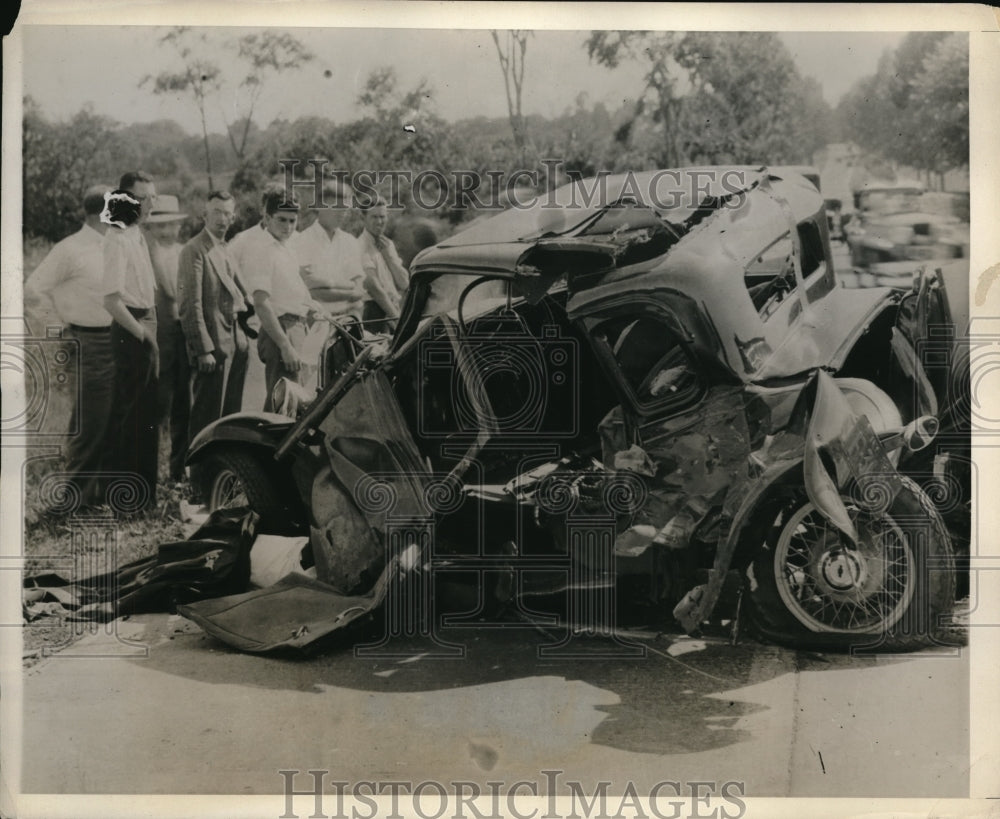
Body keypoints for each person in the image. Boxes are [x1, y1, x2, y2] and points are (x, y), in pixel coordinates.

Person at [25, 184, 114, 511]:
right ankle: (73, 502)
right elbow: (33, 290)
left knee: (108, 420)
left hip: (115, 339)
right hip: (87, 341)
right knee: (89, 424)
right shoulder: (70, 249)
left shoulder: (112, 246)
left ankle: (98, 495)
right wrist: (61, 328)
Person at [100, 170, 159, 513]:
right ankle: (125, 500)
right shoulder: (117, 238)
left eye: (153, 197)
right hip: (132, 328)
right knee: (132, 416)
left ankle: (145, 496)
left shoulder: (137, 234)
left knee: (147, 413)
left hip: (147, 321)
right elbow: (111, 300)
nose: (151, 204)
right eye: (145, 198)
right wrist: (141, 333)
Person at [240, 189, 328, 412]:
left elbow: (294, 287)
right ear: (267, 218)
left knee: (296, 401)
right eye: (281, 220)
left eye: (292, 221)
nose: (288, 226)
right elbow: (261, 302)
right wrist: (285, 346)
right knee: (282, 405)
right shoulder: (261, 251)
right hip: (280, 331)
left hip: (298, 326)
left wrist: (313, 306)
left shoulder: (287, 246)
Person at [177, 190, 249, 444]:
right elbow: (190, 304)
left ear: (233, 218)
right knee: (207, 417)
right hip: (213, 346)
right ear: (204, 215)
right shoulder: (194, 249)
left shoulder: (226, 248)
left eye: (227, 213)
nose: (222, 218)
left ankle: (223, 464)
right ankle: (197, 466)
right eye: (217, 212)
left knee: (230, 416)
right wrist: (203, 349)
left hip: (237, 342)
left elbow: (240, 295)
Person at [144, 194, 190, 483]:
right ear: (150, 228)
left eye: (171, 225)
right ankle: (148, 470)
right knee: (159, 402)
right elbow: (170, 291)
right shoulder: (147, 255)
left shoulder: (185, 252)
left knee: (185, 402)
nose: (166, 231)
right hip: (160, 334)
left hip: (184, 333)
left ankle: (178, 469)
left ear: (179, 226)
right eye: (159, 226)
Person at [288, 182, 366, 322]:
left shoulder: (350, 242)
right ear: (319, 205)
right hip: (316, 320)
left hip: (349, 319)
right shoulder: (302, 241)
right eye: (336, 207)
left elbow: (359, 291)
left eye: (345, 208)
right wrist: (349, 288)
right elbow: (310, 291)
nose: (342, 213)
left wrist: (327, 287)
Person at [358, 196, 409, 333]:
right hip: (375, 314)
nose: (379, 222)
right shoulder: (359, 245)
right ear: (363, 218)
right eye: (374, 217)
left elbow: (404, 283)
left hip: (394, 309)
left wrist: (388, 257)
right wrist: (397, 320)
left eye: (382, 217)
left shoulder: (388, 244)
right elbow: (374, 288)